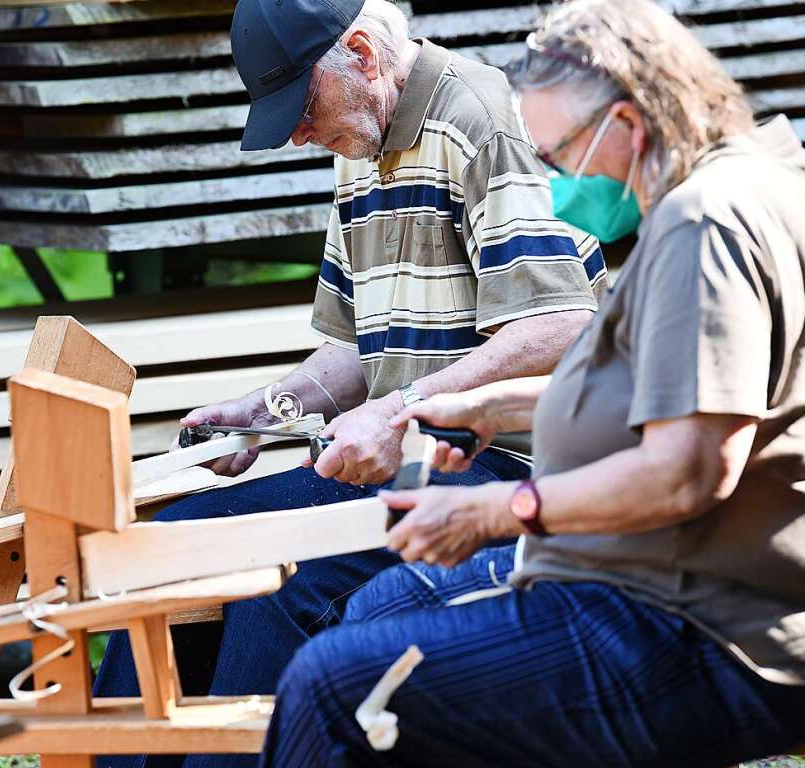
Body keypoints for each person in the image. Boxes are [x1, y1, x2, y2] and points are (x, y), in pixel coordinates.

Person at [258, 1, 805, 766]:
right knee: (376, 614)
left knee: (335, 684)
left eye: (557, 155)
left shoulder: (704, 223)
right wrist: (496, 401)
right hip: (651, 578)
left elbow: (690, 467)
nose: (550, 185)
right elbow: (686, 393)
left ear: (627, 124)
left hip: (702, 617)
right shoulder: (740, 186)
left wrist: (501, 509)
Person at [94, 1, 606, 765]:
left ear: (362, 54)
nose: (299, 133)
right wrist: (264, 414)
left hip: (490, 462)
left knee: (279, 580)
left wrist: (400, 412)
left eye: (303, 107)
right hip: (397, 460)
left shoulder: (476, 112)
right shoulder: (357, 150)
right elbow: (356, 353)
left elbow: (558, 327)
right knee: (171, 545)